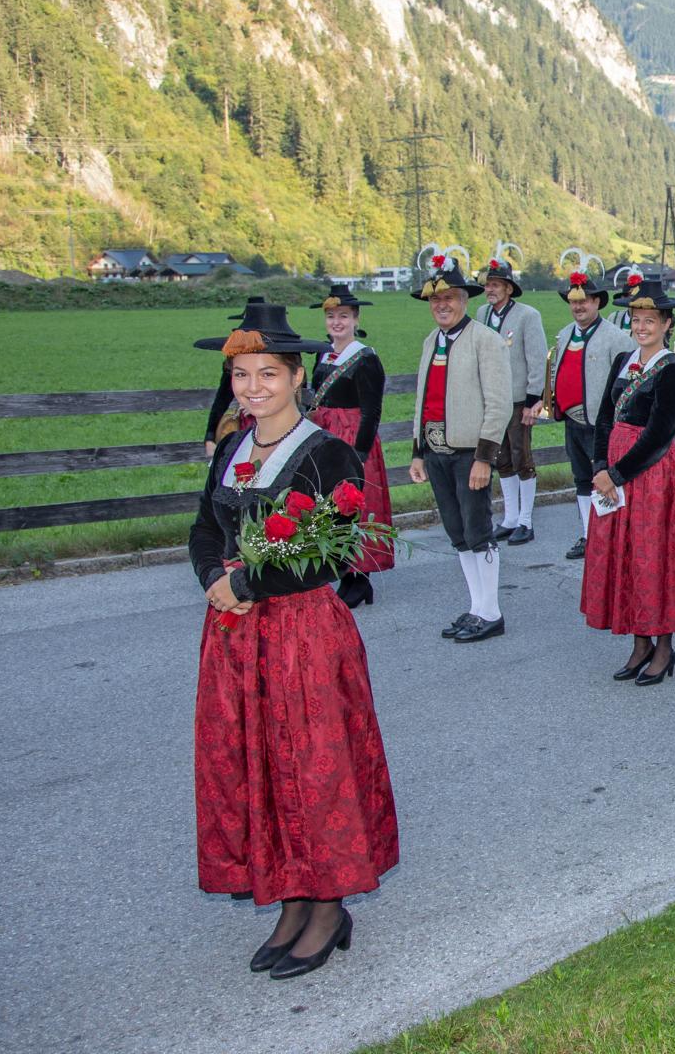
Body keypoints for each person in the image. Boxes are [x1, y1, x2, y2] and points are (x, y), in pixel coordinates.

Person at [188, 303, 398, 980]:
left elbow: (332, 558)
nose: (253, 388)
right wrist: (214, 582)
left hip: (303, 635)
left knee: (314, 769)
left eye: (267, 375)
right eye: (242, 375)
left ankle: (328, 903)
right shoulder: (230, 448)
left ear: (296, 376)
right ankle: (290, 893)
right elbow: (202, 529)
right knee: (259, 769)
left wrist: (248, 585)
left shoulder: (327, 452)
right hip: (233, 634)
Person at [581, 278, 675, 684]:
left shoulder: (674, 370)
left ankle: (664, 647)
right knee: (625, 556)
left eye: (650, 320)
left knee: (655, 558)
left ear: (667, 323)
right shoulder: (623, 362)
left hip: (650, 476)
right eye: (636, 319)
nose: (642, 326)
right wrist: (600, 465)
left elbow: (659, 434)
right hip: (614, 471)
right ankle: (639, 641)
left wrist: (615, 474)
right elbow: (603, 418)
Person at [408, 251, 512, 643]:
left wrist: (484, 458)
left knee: (478, 529)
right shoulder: (430, 341)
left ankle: (492, 611)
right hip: (436, 451)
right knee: (456, 531)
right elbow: (422, 399)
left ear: (464, 300)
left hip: (470, 452)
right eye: (435, 300)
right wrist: (417, 451)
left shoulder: (485, 341)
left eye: (449, 298)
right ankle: (476, 606)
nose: (441, 305)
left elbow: (499, 404)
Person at [310, 284, 391, 608]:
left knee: (357, 505)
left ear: (355, 319)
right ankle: (344, 572)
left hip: (353, 437)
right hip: (325, 436)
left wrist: (359, 453)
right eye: (331, 317)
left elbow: (372, 410)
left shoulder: (365, 357)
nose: (337, 322)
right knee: (330, 506)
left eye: (343, 316)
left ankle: (361, 578)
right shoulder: (321, 353)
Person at [546, 268, 636, 560]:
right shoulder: (564, 334)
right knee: (582, 479)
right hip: (573, 420)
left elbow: (629, 383)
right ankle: (589, 534)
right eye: (574, 302)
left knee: (607, 478)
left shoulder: (616, 338)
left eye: (584, 301)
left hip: (603, 424)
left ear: (597, 302)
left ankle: (613, 535)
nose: (578, 306)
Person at [475, 252, 548, 546]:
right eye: (488, 284)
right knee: (500, 458)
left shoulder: (527, 316)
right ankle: (509, 517)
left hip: (518, 399)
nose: (491, 289)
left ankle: (526, 521)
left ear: (508, 288)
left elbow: (536, 359)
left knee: (522, 458)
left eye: (497, 284)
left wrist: (533, 401)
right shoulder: (481, 315)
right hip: (492, 400)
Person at [205, 296, 267, 457]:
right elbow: (222, 399)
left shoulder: (284, 359)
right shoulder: (234, 360)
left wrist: (259, 405)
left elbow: (296, 396)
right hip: (245, 427)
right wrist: (210, 437)